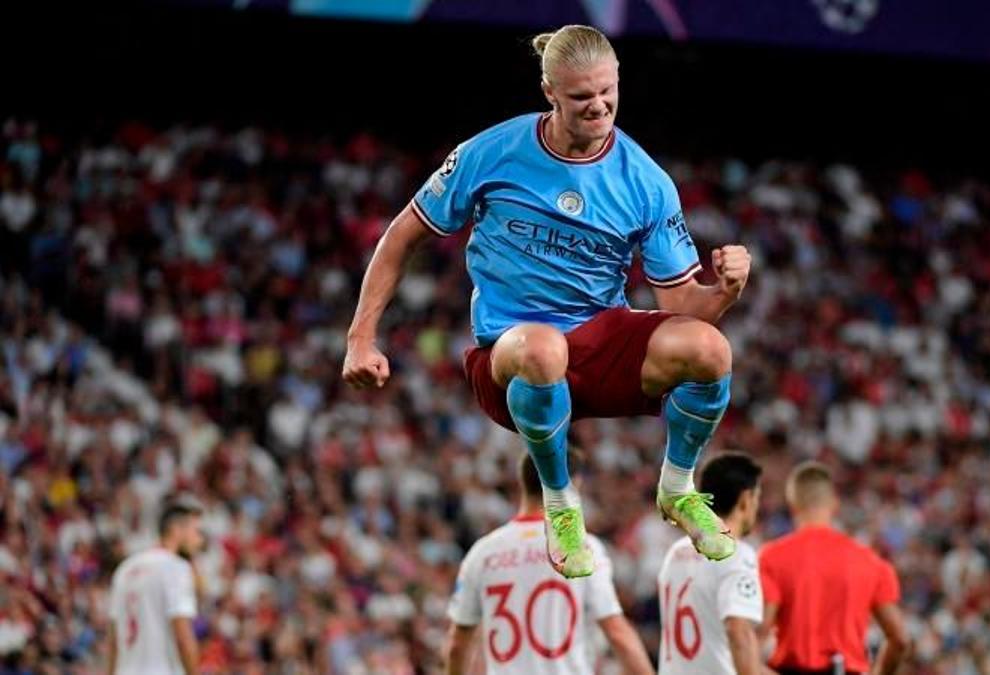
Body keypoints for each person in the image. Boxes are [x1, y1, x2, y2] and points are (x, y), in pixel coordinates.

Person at [342, 24, 752, 579]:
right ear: (549, 92)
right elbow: (402, 235)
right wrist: (361, 338)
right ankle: (560, 504)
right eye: (582, 96)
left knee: (710, 350)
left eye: (607, 91)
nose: (599, 105)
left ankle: (678, 489)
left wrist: (724, 291)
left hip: (597, 347)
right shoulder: (493, 152)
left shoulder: (646, 182)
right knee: (541, 349)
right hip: (512, 360)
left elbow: (683, 303)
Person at [443, 453, 655, 675]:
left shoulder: (482, 553)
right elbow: (617, 633)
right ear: (573, 485)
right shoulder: (583, 549)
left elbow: (458, 646)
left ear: (523, 482)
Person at [758, 462, 909, 675]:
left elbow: (758, 632)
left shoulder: (771, 557)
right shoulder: (869, 561)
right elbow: (900, 639)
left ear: (793, 504)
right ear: (834, 504)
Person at [657, 452, 765, 675]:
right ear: (745, 500)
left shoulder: (676, 552)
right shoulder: (736, 554)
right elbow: (739, 633)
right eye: (757, 498)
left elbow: (712, 648)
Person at [107, 497, 205, 675]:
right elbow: (183, 637)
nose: (199, 540)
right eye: (196, 531)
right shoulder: (176, 567)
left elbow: (114, 640)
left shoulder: (125, 569)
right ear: (176, 530)